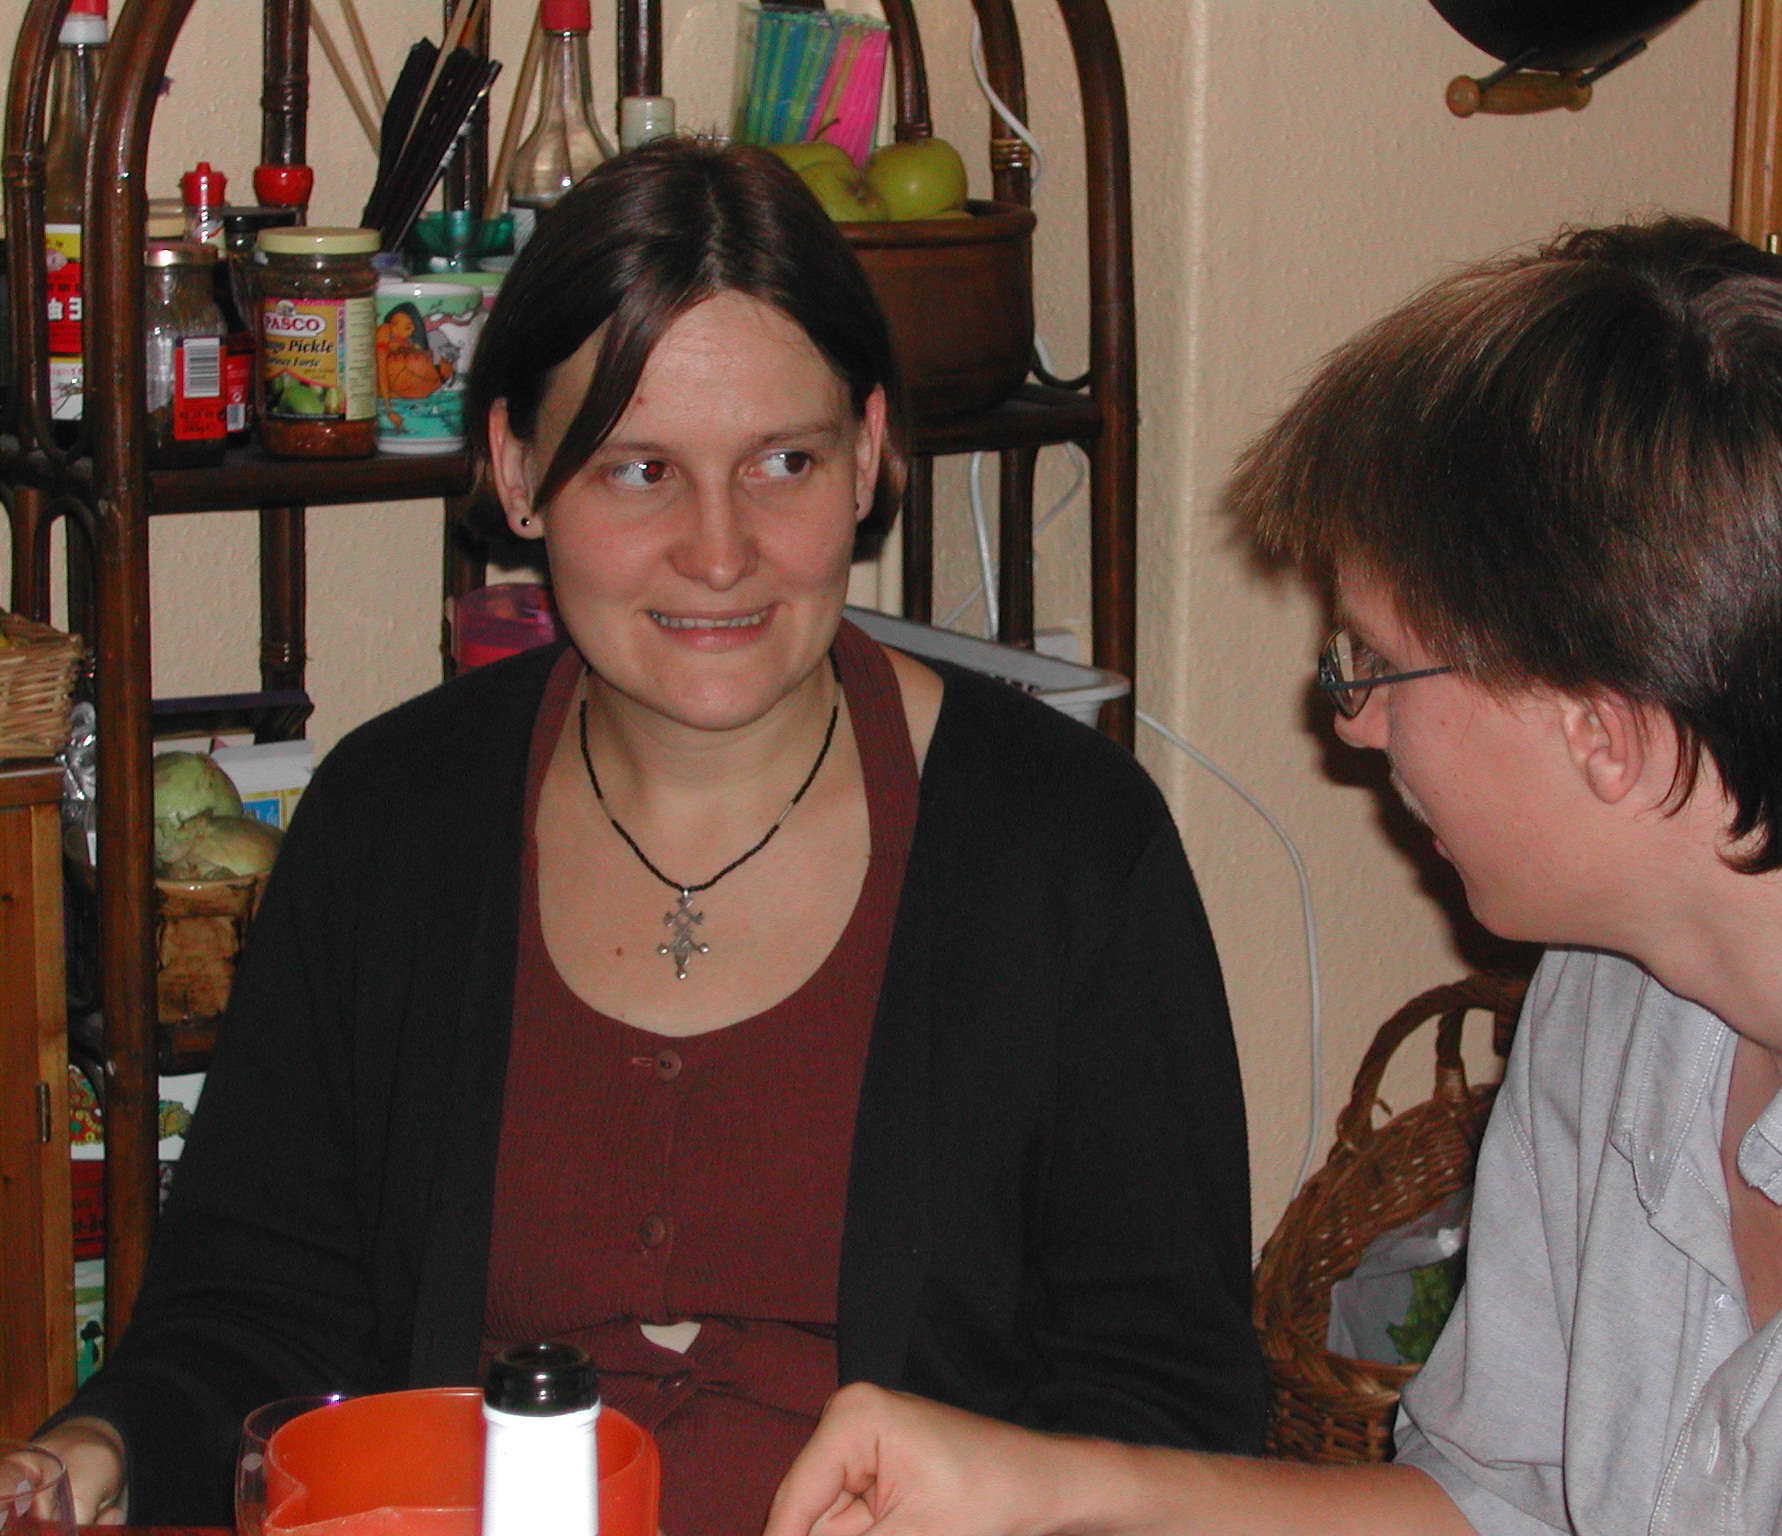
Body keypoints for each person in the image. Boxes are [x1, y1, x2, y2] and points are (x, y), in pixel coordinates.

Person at [33, 139, 1267, 1532]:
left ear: (871, 452)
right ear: (517, 472)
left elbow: (1170, 1396)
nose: (720, 551)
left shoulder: (1070, 846)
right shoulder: (390, 821)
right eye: (637, 471)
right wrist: (97, 1452)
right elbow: (256, 1308)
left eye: (784, 462)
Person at [763, 216, 1782, 1536]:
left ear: (1606, 731)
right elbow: (1496, 1503)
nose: (1355, 720)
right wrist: (1043, 1489)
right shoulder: (1623, 971)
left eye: (1377, 662)